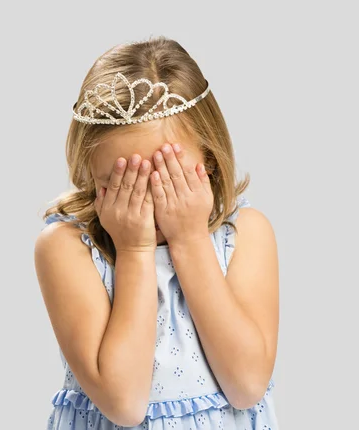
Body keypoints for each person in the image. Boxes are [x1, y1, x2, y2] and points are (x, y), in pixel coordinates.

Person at [34, 36, 280, 430]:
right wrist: (133, 250)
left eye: (168, 179)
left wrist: (190, 240)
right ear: (89, 176)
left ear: (211, 161)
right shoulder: (66, 247)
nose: (146, 205)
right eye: (121, 185)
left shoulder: (245, 234)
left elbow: (248, 385)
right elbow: (125, 404)